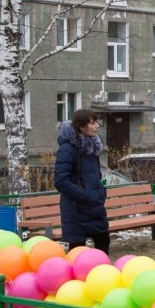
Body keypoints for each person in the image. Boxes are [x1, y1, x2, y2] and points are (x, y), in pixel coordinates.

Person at [53, 109, 110, 254]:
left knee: (103, 245)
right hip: (76, 210)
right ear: (81, 127)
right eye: (93, 123)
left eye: (96, 122)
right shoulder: (67, 149)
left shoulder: (90, 148)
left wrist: (100, 192)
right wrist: (84, 196)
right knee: (77, 253)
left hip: (95, 208)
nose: (97, 126)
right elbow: (60, 181)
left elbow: (94, 176)